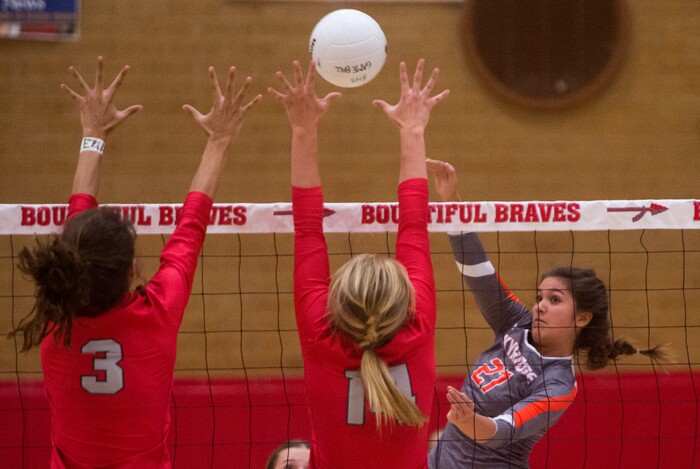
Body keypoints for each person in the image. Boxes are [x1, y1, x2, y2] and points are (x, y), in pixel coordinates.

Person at [9, 56, 261, 468]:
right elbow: (191, 227)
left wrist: (93, 134)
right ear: (129, 273)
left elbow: (81, 225)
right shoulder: (155, 313)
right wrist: (219, 140)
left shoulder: (55, 312)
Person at [425, 158, 666, 469]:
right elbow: (477, 272)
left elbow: (503, 430)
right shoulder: (516, 322)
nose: (539, 305)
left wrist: (470, 422)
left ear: (582, 318)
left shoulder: (558, 384)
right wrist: (451, 201)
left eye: (554, 300)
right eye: (539, 297)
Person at [267, 59, 448, 468]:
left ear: (336, 301)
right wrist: (413, 130)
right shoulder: (417, 326)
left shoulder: (321, 333)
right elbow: (415, 225)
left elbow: (307, 228)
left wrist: (303, 128)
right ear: (404, 300)